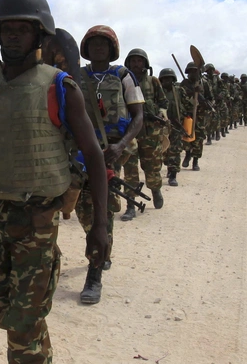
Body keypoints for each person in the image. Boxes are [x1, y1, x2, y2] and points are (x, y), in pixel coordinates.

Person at [0, 0, 109, 364]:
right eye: (7, 28)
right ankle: (34, 333)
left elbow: (94, 156)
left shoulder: (60, 86)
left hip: (35, 219)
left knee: (24, 320)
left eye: (24, 28)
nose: (15, 35)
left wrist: (100, 226)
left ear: (40, 36)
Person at [73, 25, 144, 304]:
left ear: (112, 49)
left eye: (104, 44)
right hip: (81, 151)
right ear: (86, 49)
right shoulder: (77, 76)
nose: (98, 48)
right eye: (94, 44)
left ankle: (95, 273)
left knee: (98, 209)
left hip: (112, 150)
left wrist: (121, 145)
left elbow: (138, 116)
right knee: (82, 210)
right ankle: (102, 249)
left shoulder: (124, 76)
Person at [121, 48, 168, 216]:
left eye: (139, 61)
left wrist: (161, 114)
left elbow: (163, 102)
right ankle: (131, 205)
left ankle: (155, 189)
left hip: (150, 133)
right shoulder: (123, 80)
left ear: (145, 64)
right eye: (133, 61)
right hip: (130, 133)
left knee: (152, 167)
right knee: (130, 170)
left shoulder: (153, 81)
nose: (136, 64)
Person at [159, 68, 191, 187]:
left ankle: (173, 175)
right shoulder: (159, 91)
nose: (167, 81)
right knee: (162, 151)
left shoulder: (178, 91)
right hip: (162, 125)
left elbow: (187, 104)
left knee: (175, 151)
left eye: (169, 79)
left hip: (177, 124)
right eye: (165, 79)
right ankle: (167, 166)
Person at [180, 62, 210, 171]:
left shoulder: (204, 83)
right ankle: (188, 154)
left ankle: (195, 161)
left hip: (200, 116)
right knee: (187, 137)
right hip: (188, 115)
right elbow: (180, 99)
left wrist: (205, 103)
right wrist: (192, 94)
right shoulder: (184, 84)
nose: (193, 74)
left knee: (199, 139)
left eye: (195, 71)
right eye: (191, 72)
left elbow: (210, 97)